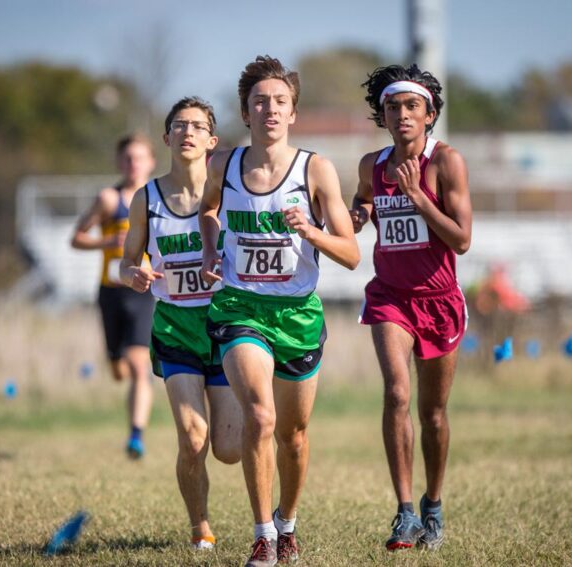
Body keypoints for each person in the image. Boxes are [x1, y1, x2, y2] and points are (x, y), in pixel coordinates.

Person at [200, 55, 360, 566]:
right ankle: (263, 534)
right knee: (261, 416)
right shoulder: (223, 164)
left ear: (293, 113)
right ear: (245, 112)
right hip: (239, 306)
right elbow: (207, 209)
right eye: (259, 102)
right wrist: (209, 249)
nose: (270, 109)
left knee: (293, 435)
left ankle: (288, 523)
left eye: (280, 102)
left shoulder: (315, 169)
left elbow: (352, 253)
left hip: (296, 313)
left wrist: (309, 230)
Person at [350, 64, 472, 551]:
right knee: (397, 394)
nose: (402, 114)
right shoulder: (370, 165)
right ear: (383, 116)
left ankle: (433, 506)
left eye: (412, 107)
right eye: (393, 107)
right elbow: (361, 202)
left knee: (433, 414)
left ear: (430, 115)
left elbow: (462, 240)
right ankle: (404, 513)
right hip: (390, 298)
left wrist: (417, 196)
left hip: (440, 301)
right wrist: (359, 213)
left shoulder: (447, 163)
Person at [119, 97, 243, 550]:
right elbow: (126, 261)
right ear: (166, 137)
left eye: (197, 126)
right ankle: (200, 530)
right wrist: (132, 274)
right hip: (175, 329)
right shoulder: (146, 199)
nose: (187, 132)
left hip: (228, 325)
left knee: (228, 450)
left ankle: (266, 504)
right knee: (193, 439)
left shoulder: (232, 194)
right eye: (178, 125)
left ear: (212, 140)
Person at [71, 134, 156, 459]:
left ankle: (136, 435)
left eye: (139, 158)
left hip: (143, 292)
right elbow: (76, 238)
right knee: (118, 369)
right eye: (127, 158)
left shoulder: (158, 198)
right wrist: (107, 243)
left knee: (138, 365)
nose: (133, 164)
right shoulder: (109, 199)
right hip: (110, 292)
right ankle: (114, 359)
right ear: (119, 163)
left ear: (151, 162)